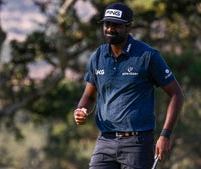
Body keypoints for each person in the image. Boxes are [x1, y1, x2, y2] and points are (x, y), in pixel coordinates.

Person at [73, 2, 184, 169]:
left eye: (116, 25)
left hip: (137, 144)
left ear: (128, 27)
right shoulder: (98, 56)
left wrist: (165, 135)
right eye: (107, 24)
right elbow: (89, 97)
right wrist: (81, 110)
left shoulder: (147, 56)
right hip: (105, 141)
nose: (110, 29)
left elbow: (176, 94)